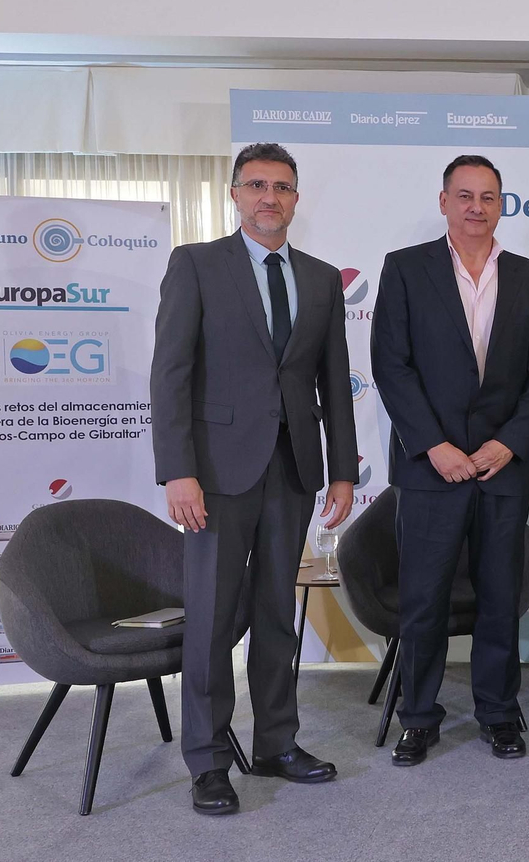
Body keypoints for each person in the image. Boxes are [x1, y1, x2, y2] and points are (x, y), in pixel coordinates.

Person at [151, 142, 357, 815]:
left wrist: (343, 471)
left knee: (277, 613)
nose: (271, 197)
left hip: (293, 467)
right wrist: (177, 470)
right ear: (234, 193)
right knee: (210, 619)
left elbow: (333, 383)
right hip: (213, 473)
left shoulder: (323, 279)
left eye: (284, 187)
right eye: (258, 185)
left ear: (297, 198)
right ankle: (209, 760)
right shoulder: (196, 264)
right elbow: (171, 375)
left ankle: (275, 743)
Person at [370, 154, 529, 766]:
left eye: (488, 196)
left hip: (503, 468)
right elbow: (391, 365)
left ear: (501, 204)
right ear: (445, 201)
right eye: (465, 196)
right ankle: (419, 717)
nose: (476, 207)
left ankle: (499, 714)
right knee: (423, 601)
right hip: (432, 469)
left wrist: (508, 442)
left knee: (499, 600)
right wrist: (434, 445)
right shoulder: (405, 270)